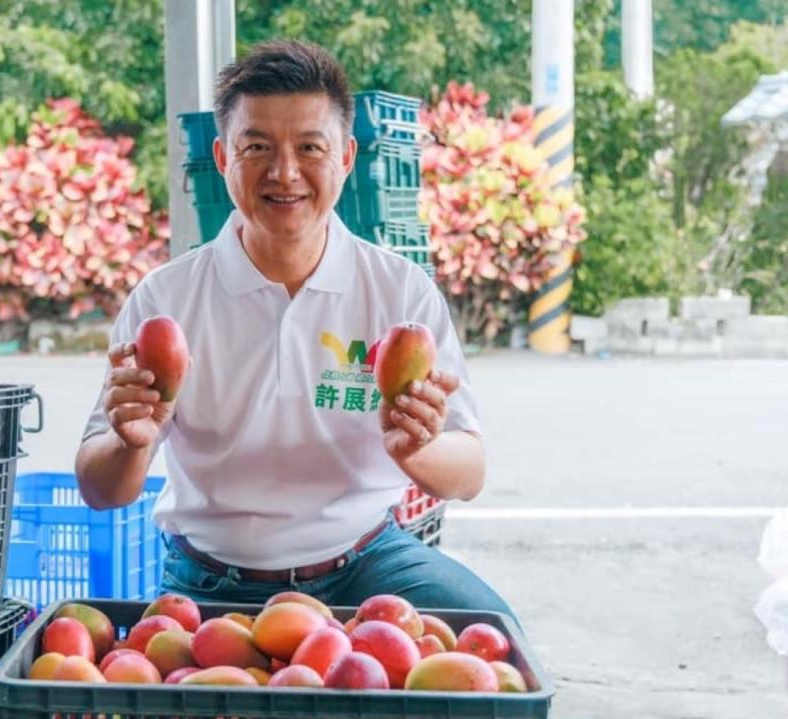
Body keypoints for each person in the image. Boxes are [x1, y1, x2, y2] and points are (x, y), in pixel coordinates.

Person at [75, 39, 517, 621]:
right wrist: (131, 444)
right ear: (223, 156)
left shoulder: (398, 292)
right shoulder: (166, 300)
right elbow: (101, 488)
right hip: (210, 576)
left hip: (367, 562)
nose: (284, 172)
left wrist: (422, 449)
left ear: (347, 157)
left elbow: (469, 473)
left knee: (494, 649)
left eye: (310, 147)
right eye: (256, 147)